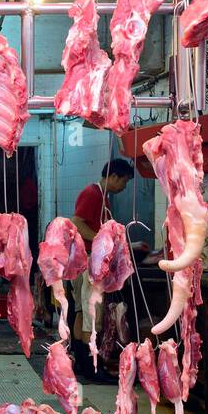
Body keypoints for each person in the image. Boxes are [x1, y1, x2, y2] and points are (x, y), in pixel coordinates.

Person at [65, 159, 148, 380]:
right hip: (89, 262)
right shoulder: (93, 194)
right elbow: (76, 222)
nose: (124, 187)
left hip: (89, 261)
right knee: (92, 316)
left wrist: (125, 246)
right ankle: (92, 367)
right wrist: (102, 242)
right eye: (125, 181)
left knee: (84, 313)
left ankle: (83, 364)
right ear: (114, 177)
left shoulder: (103, 197)